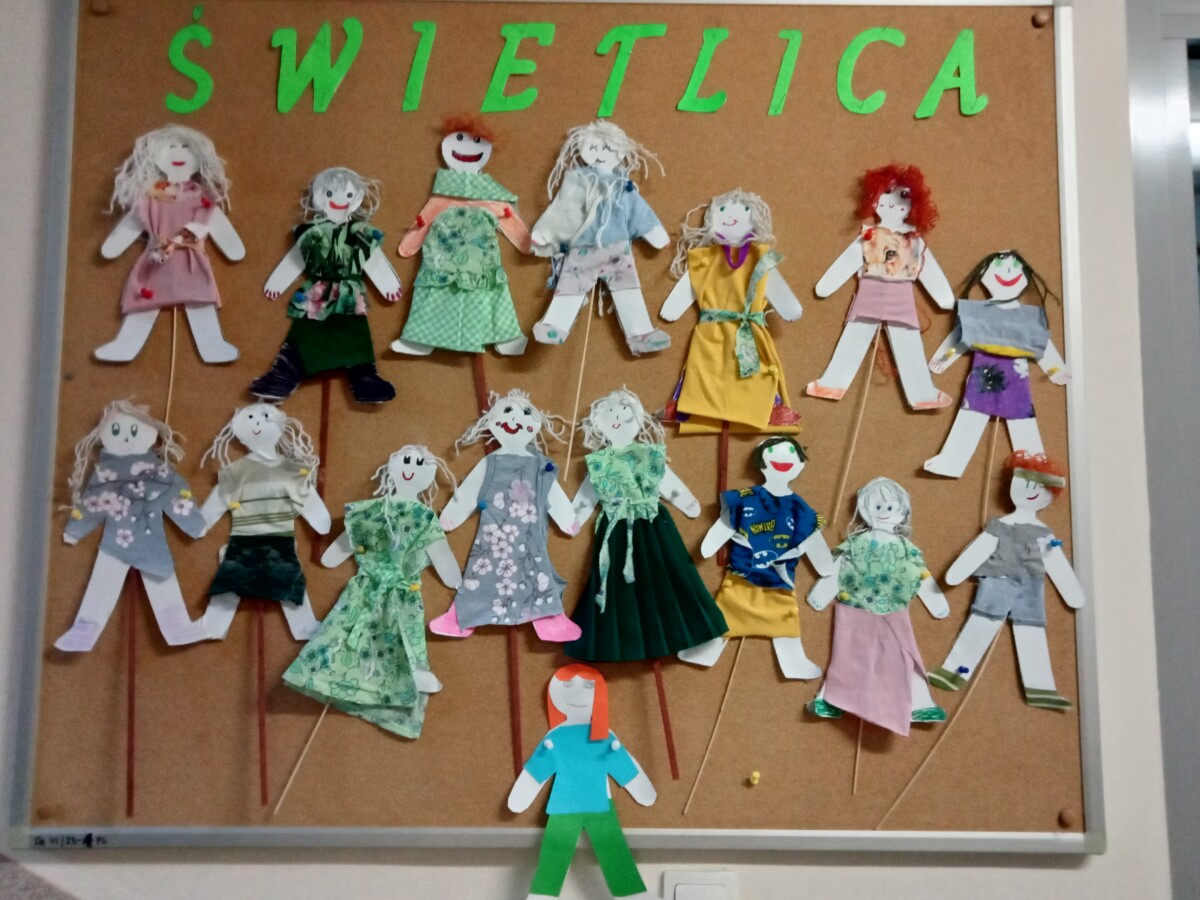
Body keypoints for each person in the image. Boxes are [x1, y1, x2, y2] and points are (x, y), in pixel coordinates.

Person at [929, 452, 1084, 710]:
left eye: (1039, 488)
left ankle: (1041, 688)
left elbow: (1055, 561)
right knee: (980, 623)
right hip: (997, 583)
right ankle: (953, 672)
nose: (1030, 492)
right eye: (1025, 484)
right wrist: (957, 573)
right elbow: (981, 547)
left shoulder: (1044, 534)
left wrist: (1072, 593)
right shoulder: (1000, 525)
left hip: (1029, 588)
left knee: (1031, 631)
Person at [507, 664, 655, 900]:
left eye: (587, 686)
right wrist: (520, 798)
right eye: (567, 685)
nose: (577, 692)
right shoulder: (555, 738)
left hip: (596, 805)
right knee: (554, 857)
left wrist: (643, 792)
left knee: (614, 854)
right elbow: (536, 771)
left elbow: (623, 766)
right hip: (566, 806)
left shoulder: (603, 736)